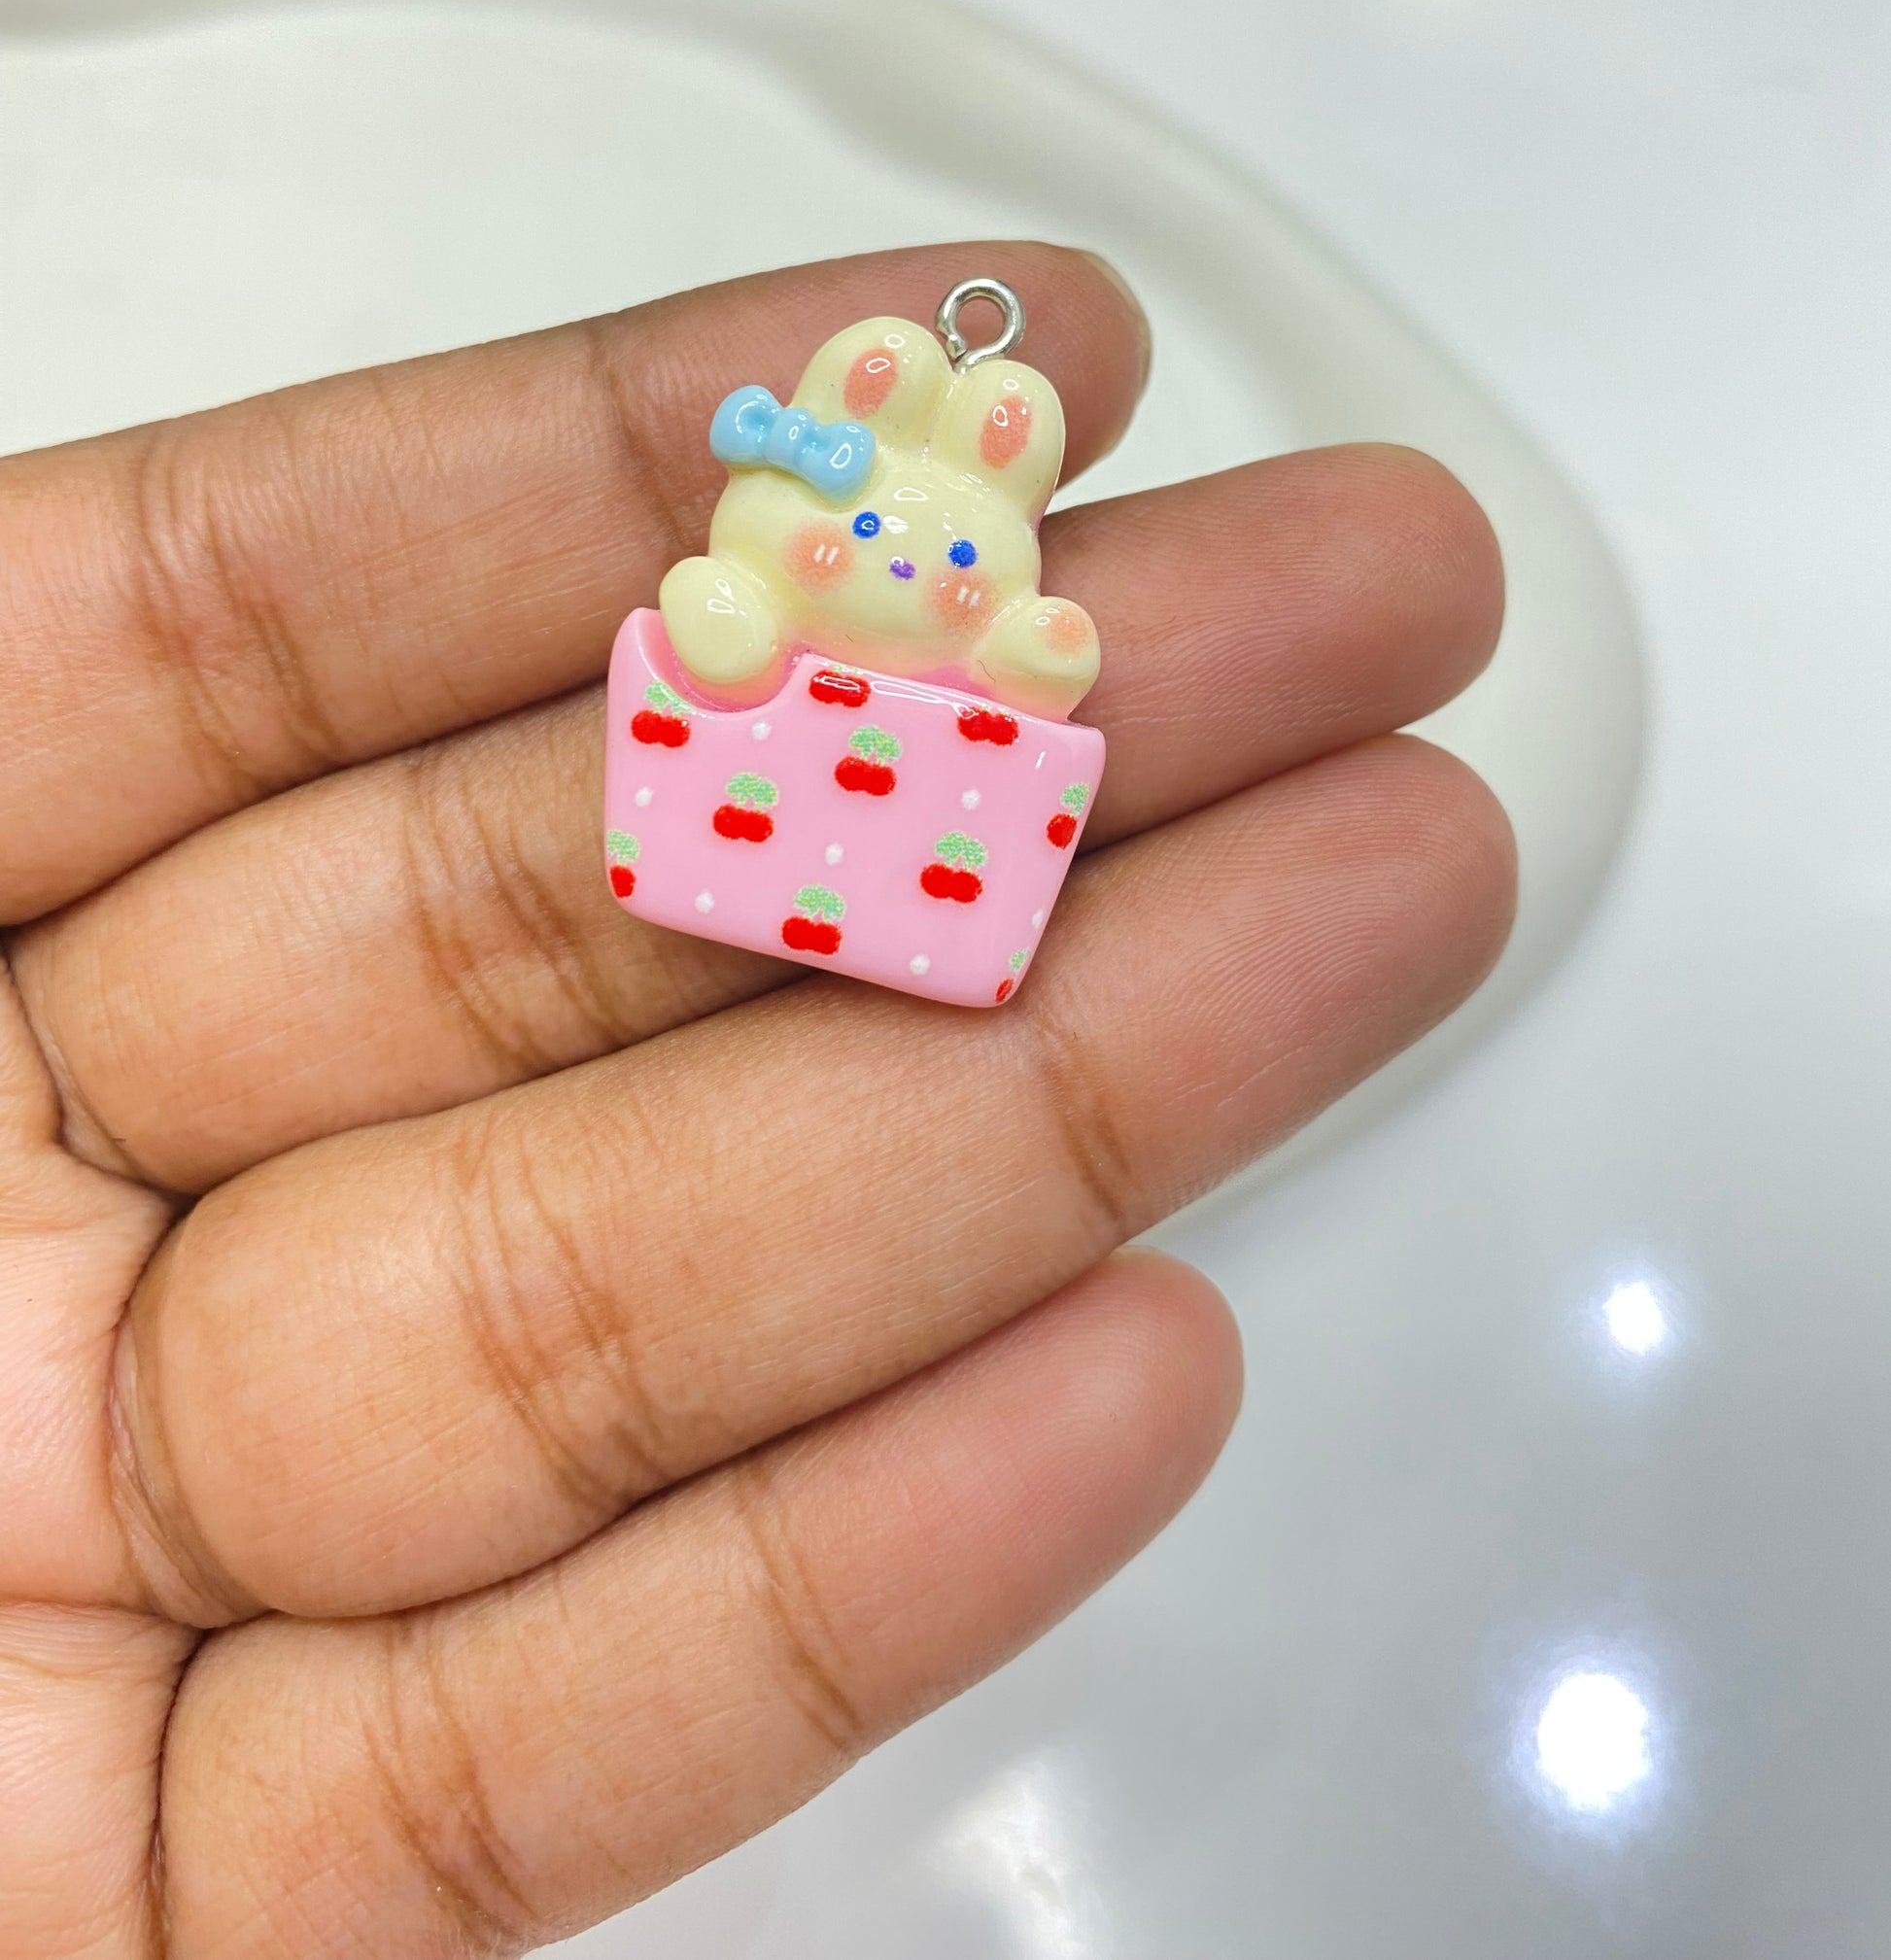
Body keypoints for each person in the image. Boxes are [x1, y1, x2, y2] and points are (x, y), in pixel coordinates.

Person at [0, 242, 1512, 1956]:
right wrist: (732, 637)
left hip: (918, 834)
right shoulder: (740, 587)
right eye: (856, 545)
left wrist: (1012, 666)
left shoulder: (972, 631)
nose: (894, 568)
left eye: (937, 557)